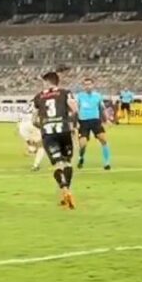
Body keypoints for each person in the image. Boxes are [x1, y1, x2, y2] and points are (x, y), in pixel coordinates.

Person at [34, 71, 79, 209]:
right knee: (67, 163)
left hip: (49, 133)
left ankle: (65, 189)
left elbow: (33, 119)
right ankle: (66, 193)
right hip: (64, 131)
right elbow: (75, 109)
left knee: (57, 164)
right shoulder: (65, 93)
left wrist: (43, 125)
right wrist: (72, 124)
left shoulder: (38, 97)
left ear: (47, 82)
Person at [76, 77, 111, 171]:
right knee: (82, 144)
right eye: (85, 85)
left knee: (103, 140)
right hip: (83, 122)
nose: (87, 86)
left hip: (95, 121)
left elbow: (102, 108)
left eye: (89, 84)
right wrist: (75, 121)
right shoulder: (79, 96)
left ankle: (107, 162)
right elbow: (76, 109)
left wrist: (106, 119)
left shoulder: (98, 96)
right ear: (83, 86)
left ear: (93, 85)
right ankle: (81, 157)